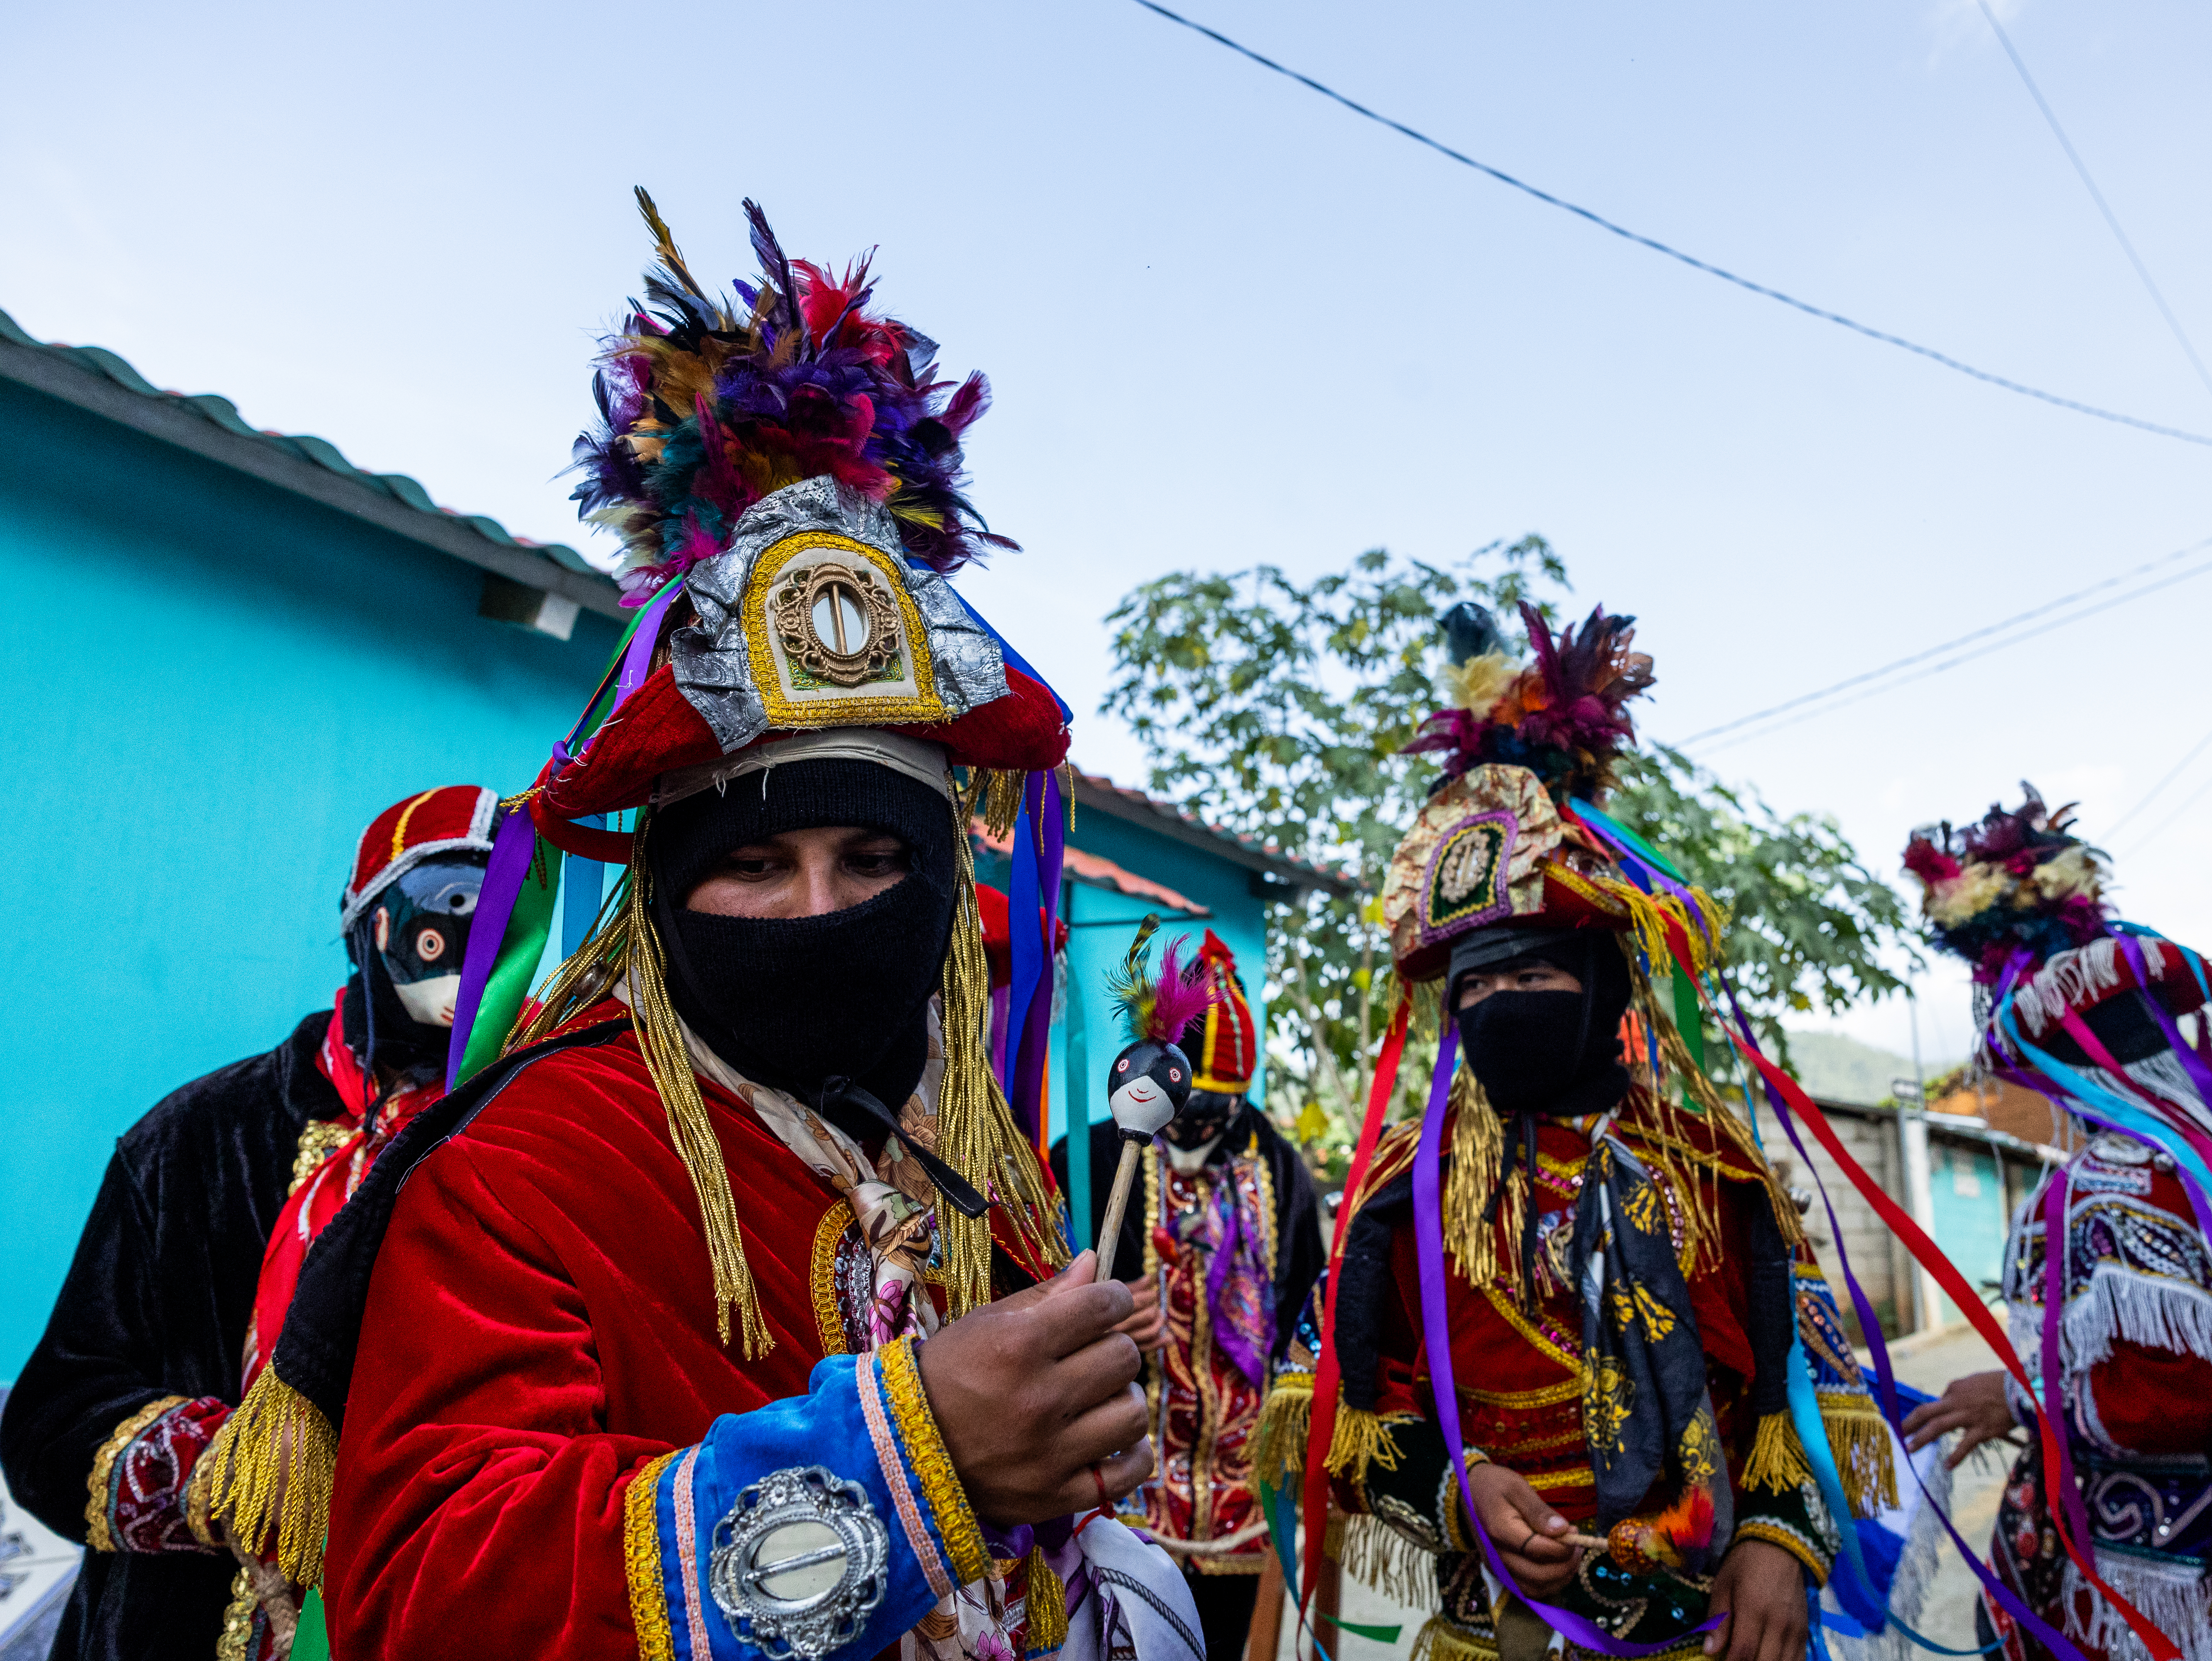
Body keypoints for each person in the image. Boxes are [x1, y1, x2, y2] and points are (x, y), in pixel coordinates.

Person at [205, 196, 1197, 1661]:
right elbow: (428, 1594)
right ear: (664, 897)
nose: (820, 912)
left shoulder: (965, 1154)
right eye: (755, 866)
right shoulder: (526, 1165)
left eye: (873, 858)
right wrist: (910, 1465)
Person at [1266, 603, 1895, 1661]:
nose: (1505, 1000)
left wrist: (1784, 1539)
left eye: (1537, 973)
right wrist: (1460, 1494)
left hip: (1710, 1629)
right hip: (1498, 1633)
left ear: (1605, 986)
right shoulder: (1404, 1190)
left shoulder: (1714, 1170)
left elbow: (1816, 1385)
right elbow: (1329, 1402)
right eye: (1482, 983)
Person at [1894, 789, 2212, 1661]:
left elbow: (2180, 1391)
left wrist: (2017, 1394)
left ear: (2063, 1071)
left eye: (2010, 1074)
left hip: (2168, 1588)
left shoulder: (2111, 1185)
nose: (1997, 1098)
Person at [0, 785, 496, 1661]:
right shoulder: (196, 1138)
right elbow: (49, 1425)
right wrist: (240, 1472)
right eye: (452, 917)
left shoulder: (533, 1144)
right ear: (378, 930)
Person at [1052, 930, 1322, 1661]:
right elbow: (1034, 1300)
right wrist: (1099, 1318)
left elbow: (1309, 1308)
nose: (1203, 1129)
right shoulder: (1087, 1157)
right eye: (1190, 1108)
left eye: (1221, 1113)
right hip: (1122, 1486)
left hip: (1241, 1497)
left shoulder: (1281, 1166)